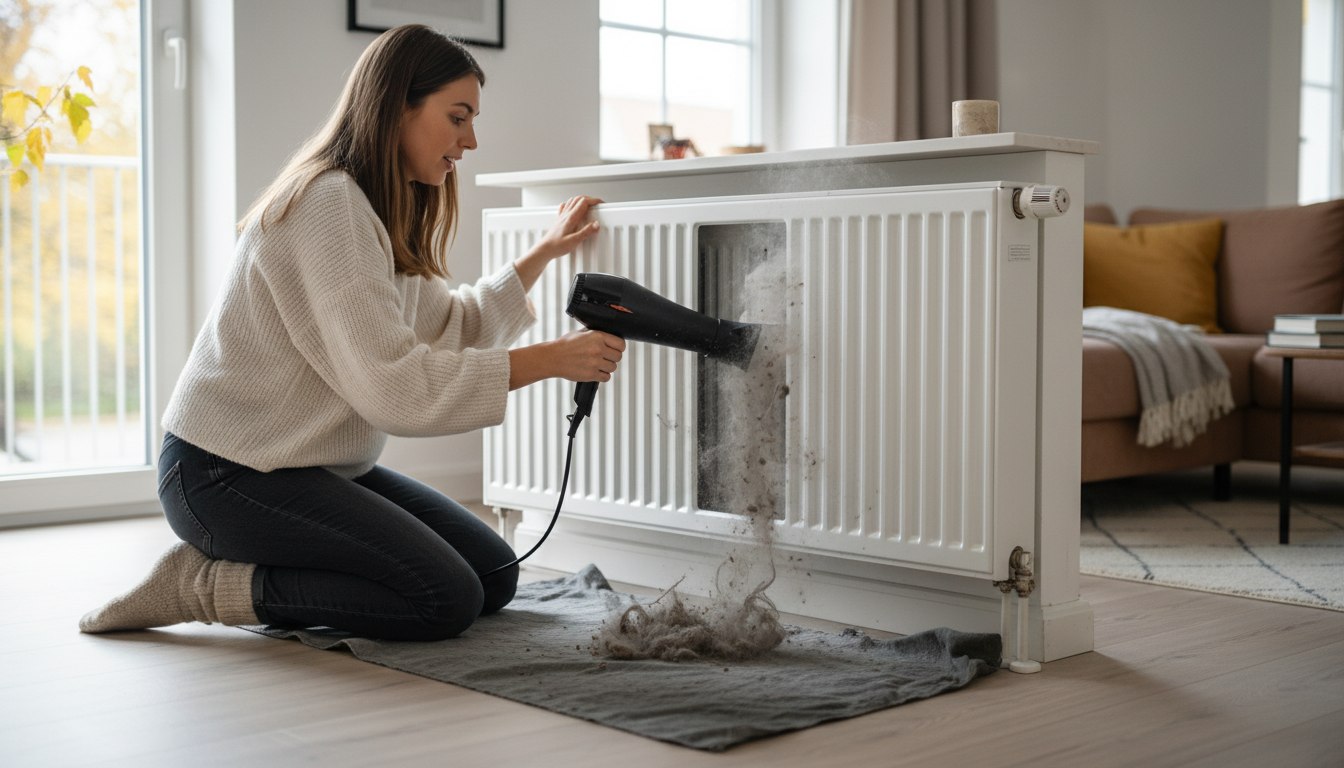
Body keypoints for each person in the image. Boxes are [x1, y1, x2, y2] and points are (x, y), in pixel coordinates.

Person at [79, 25, 625, 641]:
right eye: (458, 117)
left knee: (494, 574)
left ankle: (267, 570)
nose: (470, 141)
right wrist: (551, 359)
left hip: (314, 465)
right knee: (442, 599)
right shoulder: (328, 205)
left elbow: (448, 327)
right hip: (226, 474)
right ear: (398, 107)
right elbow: (396, 389)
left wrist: (541, 255)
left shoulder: (378, 207)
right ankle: (203, 585)